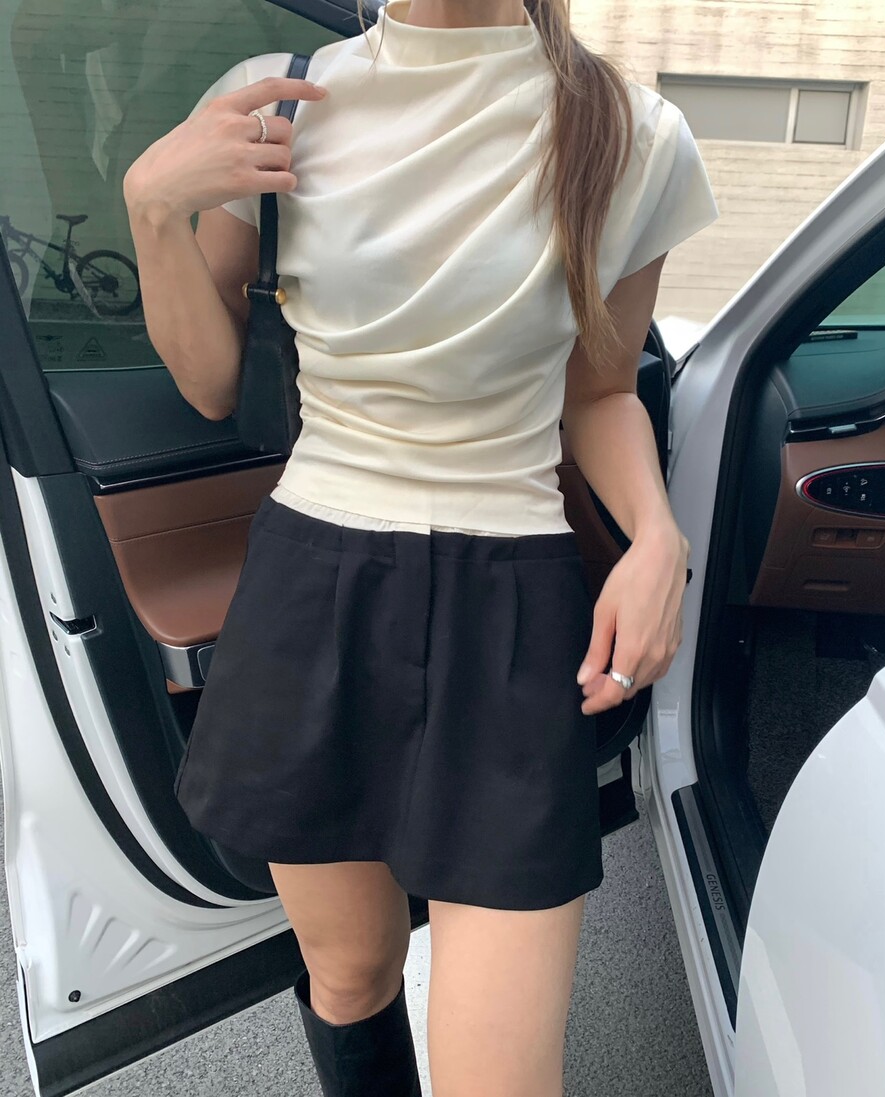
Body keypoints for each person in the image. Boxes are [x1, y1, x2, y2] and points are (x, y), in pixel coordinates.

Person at [122, 0, 717, 1093]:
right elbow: (213, 382)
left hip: (511, 592)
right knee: (351, 973)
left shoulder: (631, 132)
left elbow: (600, 389)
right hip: (312, 582)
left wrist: (657, 536)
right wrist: (153, 209)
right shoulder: (276, 98)